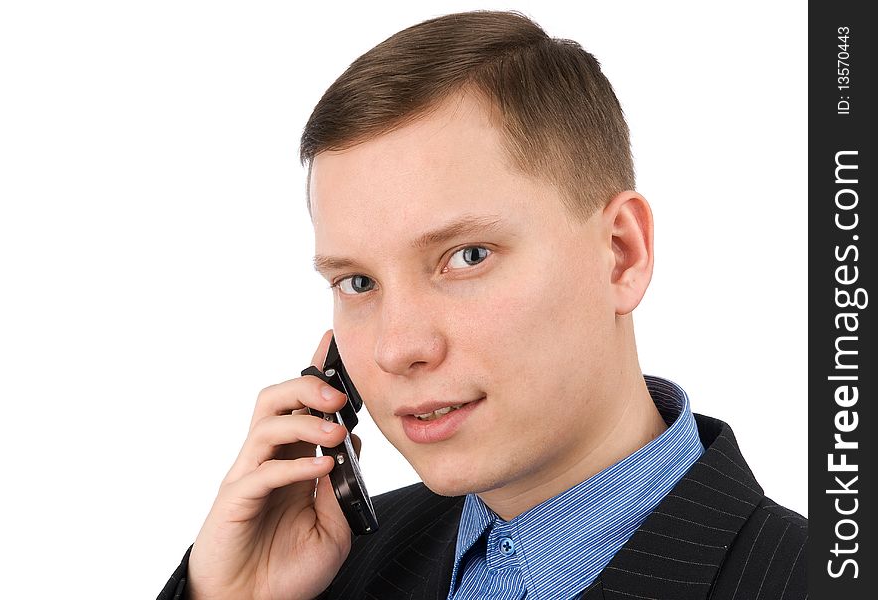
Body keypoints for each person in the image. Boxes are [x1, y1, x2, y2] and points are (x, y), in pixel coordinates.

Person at [158, 10, 806, 600]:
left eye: (466, 256)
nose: (396, 348)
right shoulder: (321, 574)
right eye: (357, 282)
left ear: (621, 254)